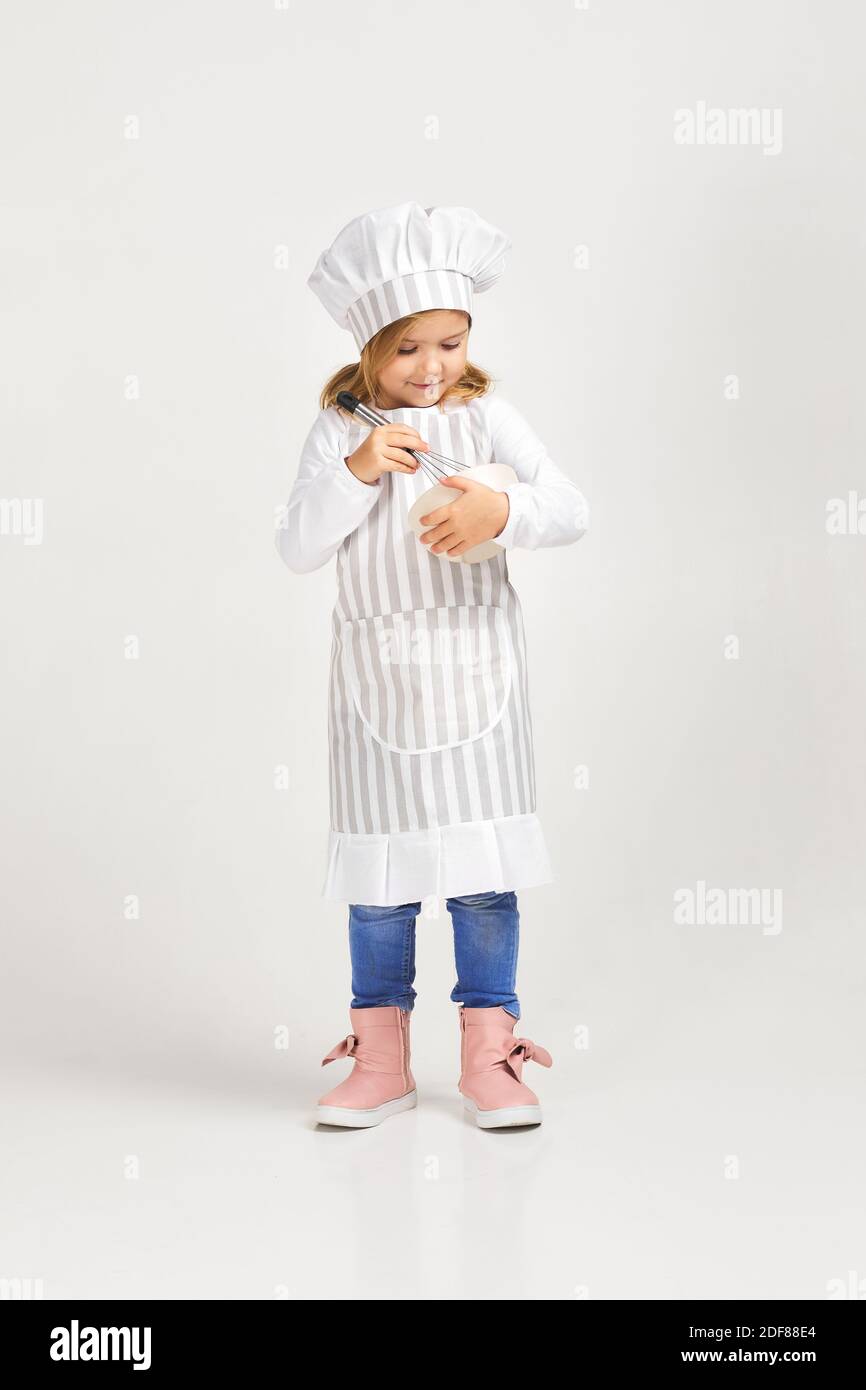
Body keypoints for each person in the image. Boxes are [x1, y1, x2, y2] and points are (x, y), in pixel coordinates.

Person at [275, 203, 589, 1130]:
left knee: (483, 879)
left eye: (449, 343)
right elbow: (296, 546)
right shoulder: (338, 432)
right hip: (378, 688)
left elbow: (569, 508)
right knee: (381, 889)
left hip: (478, 672)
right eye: (408, 348)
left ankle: (491, 1054)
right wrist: (357, 471)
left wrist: (500, 509)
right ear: (369, 347)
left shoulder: (487, 417)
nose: (432, 368)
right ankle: (381, 1061)